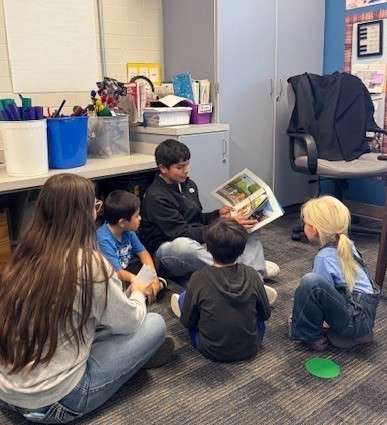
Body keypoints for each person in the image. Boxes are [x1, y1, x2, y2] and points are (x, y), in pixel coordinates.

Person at [0, 173, 173, 425]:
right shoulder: (87, 264)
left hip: (4, 388)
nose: (97, 212)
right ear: (85, 213)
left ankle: (131, 358)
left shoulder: (25, 251)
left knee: (96, 318)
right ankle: (135, 361)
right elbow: (129, 322)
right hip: (56, 399)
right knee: (153, 323)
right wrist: (137, 289)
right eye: (95, 206)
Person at [139, 139, 279, 305]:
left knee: (250, 226)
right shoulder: (156, 197)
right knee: (185, 245)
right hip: (166, 252)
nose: (186, 170)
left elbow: (197, 219)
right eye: (180, 167)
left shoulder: (188, 185)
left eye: (187, 164)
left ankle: (255, 280)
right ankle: (243, 270)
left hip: (197, 241)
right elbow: (180, 232)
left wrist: (219, 215)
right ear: (163, 168)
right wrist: (222, 227)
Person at [171, 218, 271, 362]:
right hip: (252, 346)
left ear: (207, 248)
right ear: (242, 249)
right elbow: (265, 315)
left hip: (212, 350)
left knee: (185, 298)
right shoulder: (252, 273)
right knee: (255, 316)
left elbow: (188, 322)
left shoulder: (198, 277)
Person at [288, 195, 380, 352]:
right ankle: (354, 334)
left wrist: (303, 317)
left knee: (310, 283)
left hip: (353, 319)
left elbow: (316, 296)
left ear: (314, 230)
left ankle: (312, 336)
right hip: (365, 316)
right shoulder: (347, 245)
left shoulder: (324, 258)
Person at [97, 190, 167, 304]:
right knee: (117, 287)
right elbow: (117, 272)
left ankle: (150, 288)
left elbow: (143, 253)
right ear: (122, 222)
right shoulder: (103, 239)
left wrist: (152, 276)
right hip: (113, 276)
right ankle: (148, 291)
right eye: (137, 215)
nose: (140, 218)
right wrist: (136, 282)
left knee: (154, 263)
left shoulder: (128, 231)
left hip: (126, 269)